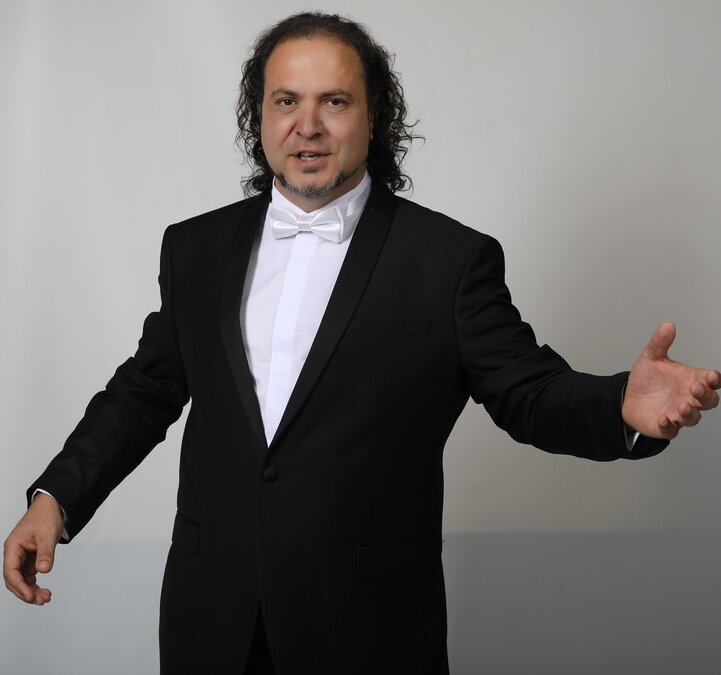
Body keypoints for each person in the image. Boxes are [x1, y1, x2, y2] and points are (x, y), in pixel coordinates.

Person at [3, 11, 719, 675]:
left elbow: (527, 392)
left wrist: (618, 406)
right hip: (211, 613)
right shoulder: (195, 248)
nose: (307, 125)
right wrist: (55, 498)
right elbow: (144, 391)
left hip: (369, 626)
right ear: (260, 116)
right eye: (286, 101)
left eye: (335, 101)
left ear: (373, 116)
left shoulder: (448, 260)